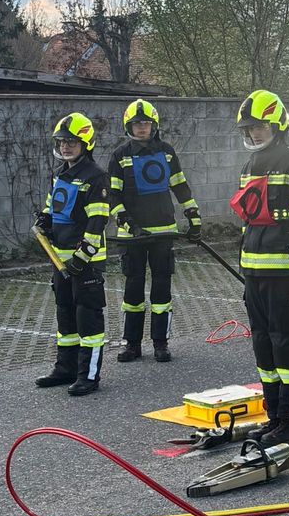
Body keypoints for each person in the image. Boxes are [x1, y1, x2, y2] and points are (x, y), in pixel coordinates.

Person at [231, 90, 289, 446]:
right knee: (264, 349)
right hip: (255, 274)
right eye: (249, 129)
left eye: (260, 127)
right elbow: (247, 222)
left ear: (277, 125)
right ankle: (275, 417)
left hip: (285, 277)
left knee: (286, 348)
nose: (254, 134)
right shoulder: (249, 167)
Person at [108, 99, 202, 363]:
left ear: (154, 125)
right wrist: (128, 223)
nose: (141, 128)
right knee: (133, 291)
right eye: (137, 124)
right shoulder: (120, 155)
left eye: (146, 123)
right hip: (132, 236)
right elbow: (113, 196)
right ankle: (132, 344)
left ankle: (161, 343)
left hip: (163, 233)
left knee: (162, 290)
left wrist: (194, 217)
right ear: (129, 126)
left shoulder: (167, 152)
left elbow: (181, 187)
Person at [33, 113, 108, 396]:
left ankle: (89, 376)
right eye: (62, 142)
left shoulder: (96, 176)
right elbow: (54, 207)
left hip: (84, 262)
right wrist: (44, 220)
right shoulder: (61, 174)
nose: (66, 147)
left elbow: (98, 220)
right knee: (65, 316)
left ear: (85, 144)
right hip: (60, 258)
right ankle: (65, 368)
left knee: (88, 317)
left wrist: (83, 256)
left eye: (72, 142)